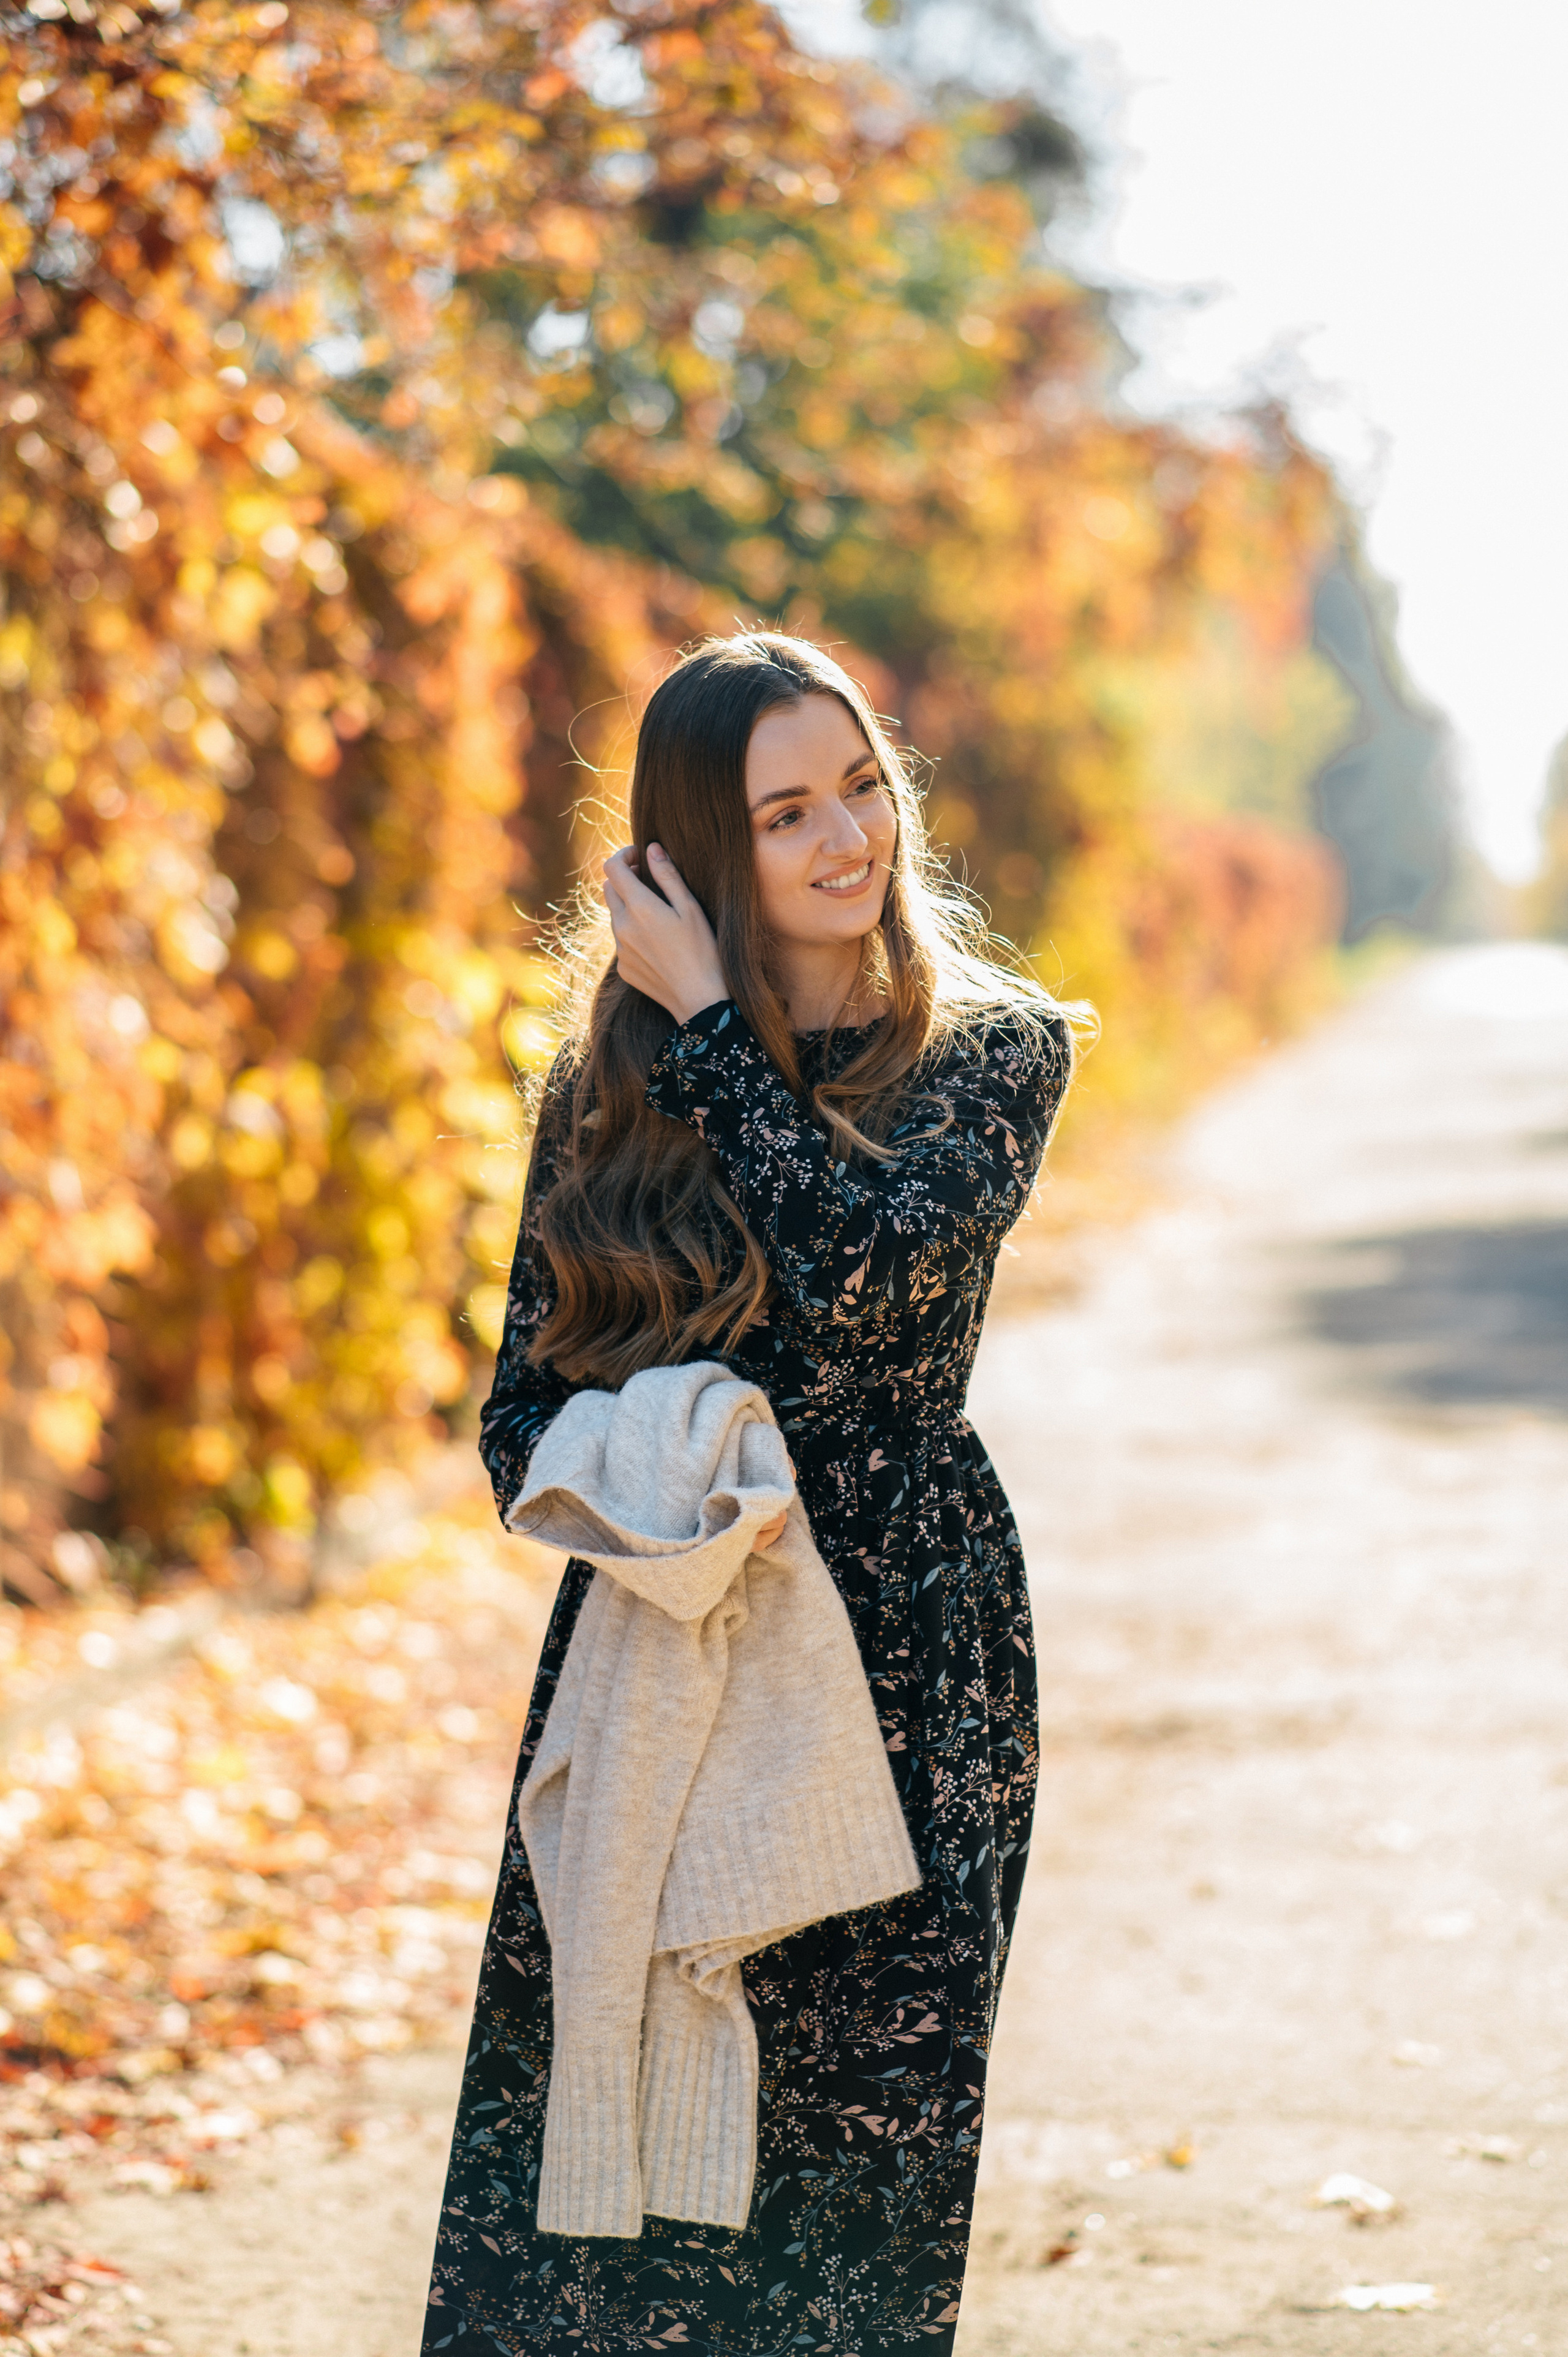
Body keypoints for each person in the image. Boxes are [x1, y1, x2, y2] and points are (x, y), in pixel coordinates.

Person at [423, 630, 1082, 2355]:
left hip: (911, 1650)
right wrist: (671, 1463)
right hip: (666, 1646)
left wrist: (714, 1028)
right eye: (787, 814)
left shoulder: (993, 1055)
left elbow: (874, 1287)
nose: (848, 838)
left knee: (852, 2196)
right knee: (602, 2194)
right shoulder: (606, 1092)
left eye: (861, 786)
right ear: (705, 851)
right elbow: (519, 1423)